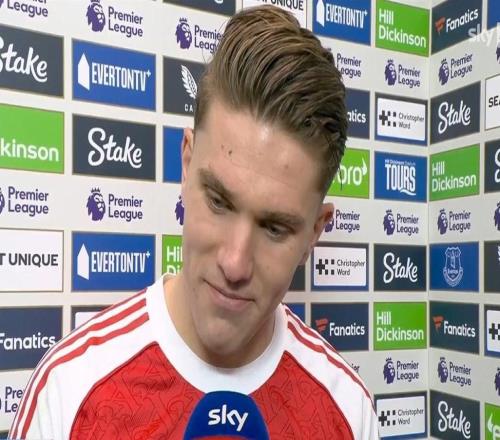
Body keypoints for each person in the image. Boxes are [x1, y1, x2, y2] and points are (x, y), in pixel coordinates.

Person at [10, 5, 378, 439]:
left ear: (315, 232)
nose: (235, 263)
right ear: (186, 165)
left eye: (275, 228)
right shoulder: (69, 390)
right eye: (219, 201)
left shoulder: (347, 411)